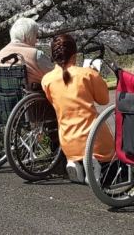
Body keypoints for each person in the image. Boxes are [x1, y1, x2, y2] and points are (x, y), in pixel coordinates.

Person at [41, 34, 114, 184]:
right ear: (75, 55)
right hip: (95, 139)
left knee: (75, 152)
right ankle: (94, 164)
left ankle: (74, 162)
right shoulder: (87, 74)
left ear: (54, 56)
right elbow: (104, 99)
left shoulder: (47, 80)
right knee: (117, 165)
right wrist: (96, 74)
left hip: (67, 141)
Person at [0, 17, 53, 89]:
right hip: (31, 94)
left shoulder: (1, 53)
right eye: (35, 35)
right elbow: (53, 75)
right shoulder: (36, 55)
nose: (36, 40)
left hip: (4, 95)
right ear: (27, 37)